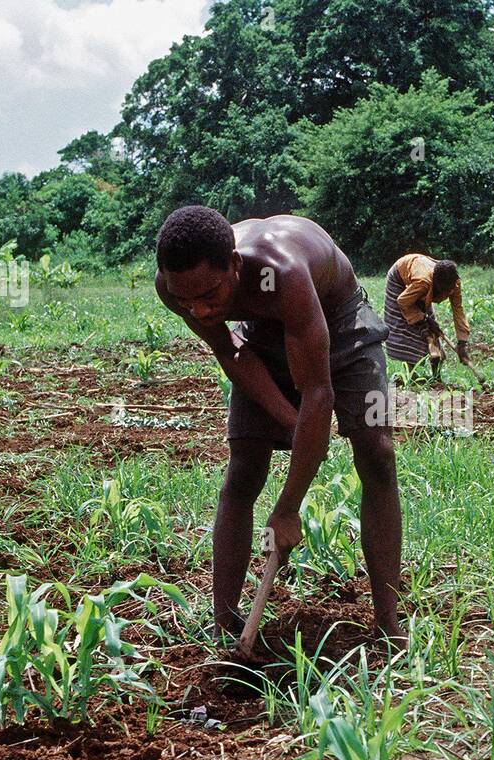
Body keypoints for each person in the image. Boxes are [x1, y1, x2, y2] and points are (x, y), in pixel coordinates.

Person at [154, 206, 403, 642]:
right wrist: (293, 423)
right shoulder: (174, 289)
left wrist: (287, 509)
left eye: (210, 295)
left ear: (234, 265)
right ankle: (225, 625)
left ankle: (389, 624)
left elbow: (318, 392)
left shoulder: (281, 273)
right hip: (264, 333)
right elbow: (232, 352)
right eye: (184, 300)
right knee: (244, 467)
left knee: (376, 452)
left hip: (339, 320)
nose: (197, 309)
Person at [383, 254, 470, 379]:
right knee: (408, 327)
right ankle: (411, 374)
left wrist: (462, 343)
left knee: (432, 330)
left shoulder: (454, 283)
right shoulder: (423, 282)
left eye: (451, 289)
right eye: (445, 290)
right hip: (399, 281)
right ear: (436, 284)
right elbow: (403, 301)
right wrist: (424, 318)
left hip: (420, 282)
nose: (450, 293)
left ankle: (436, 376)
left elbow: (458, 310)